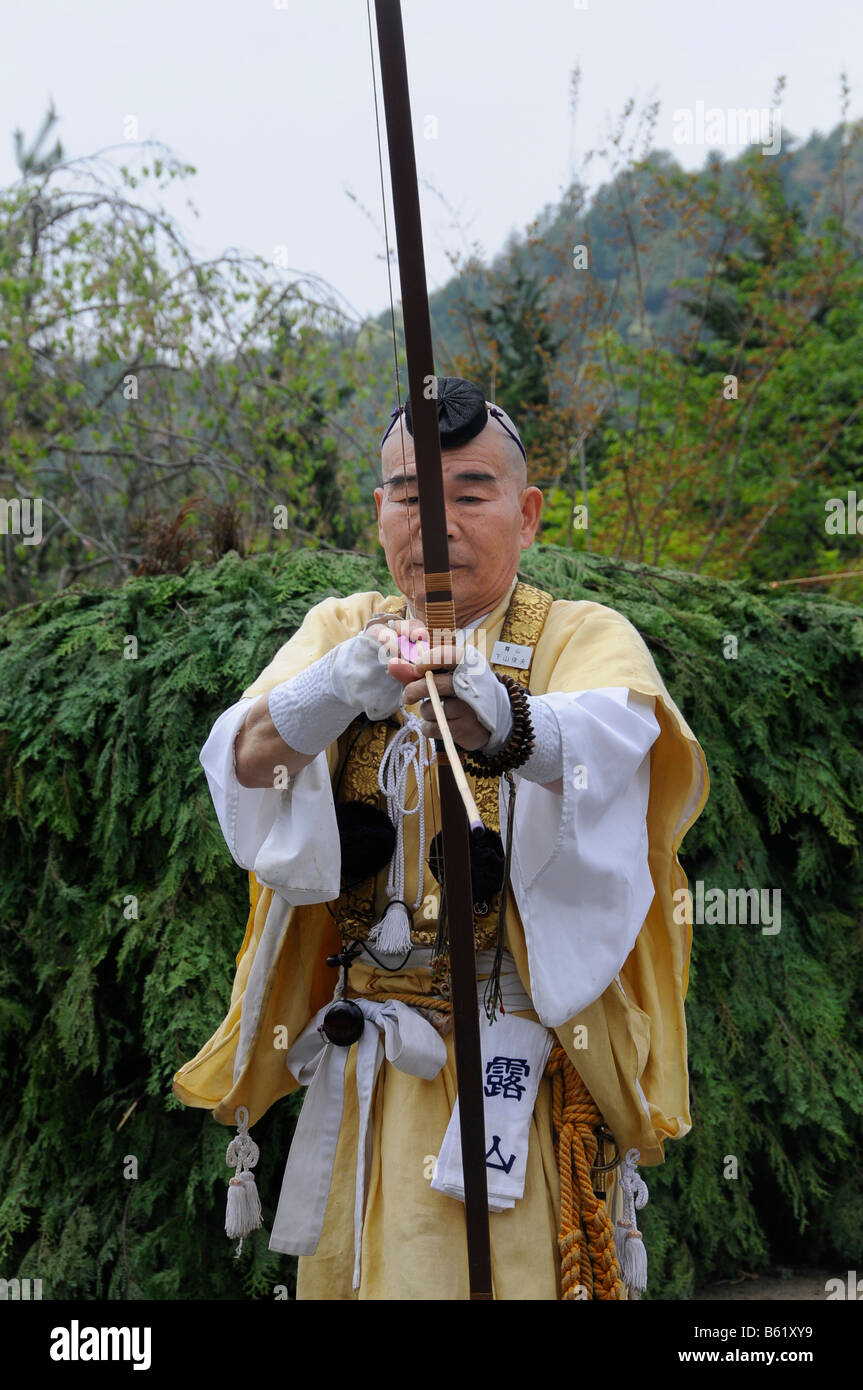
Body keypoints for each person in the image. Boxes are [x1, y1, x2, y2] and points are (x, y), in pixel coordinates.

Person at [173, 376, 709, 1301]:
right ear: (380, 509)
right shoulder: (341, 629)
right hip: (364, 1053)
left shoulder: (582, 637)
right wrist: (330, 689)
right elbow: (245, 763)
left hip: (511, 1059)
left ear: (527, 512)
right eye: (413, 497)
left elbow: (613, 745)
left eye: (469, 494)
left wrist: (505, 721)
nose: (437, 522)